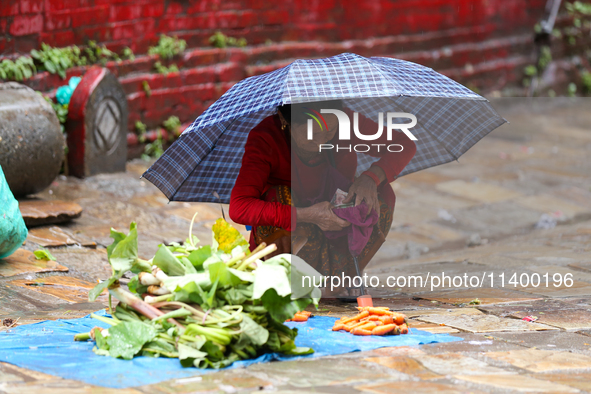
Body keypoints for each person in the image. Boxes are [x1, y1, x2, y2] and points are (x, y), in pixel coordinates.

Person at [229, 100, 416, 296]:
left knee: (380, 194)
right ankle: (288, 279)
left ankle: (348, 273)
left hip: (341, 220)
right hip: (295, 228)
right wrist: (307, 215)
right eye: (312, 134)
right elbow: (240, 207)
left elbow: (404, 145)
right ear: (286, 120)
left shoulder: (347, 122)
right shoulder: (266, 137)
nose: (321, 142)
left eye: (330, 132)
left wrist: (371, 177)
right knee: (278, 196)